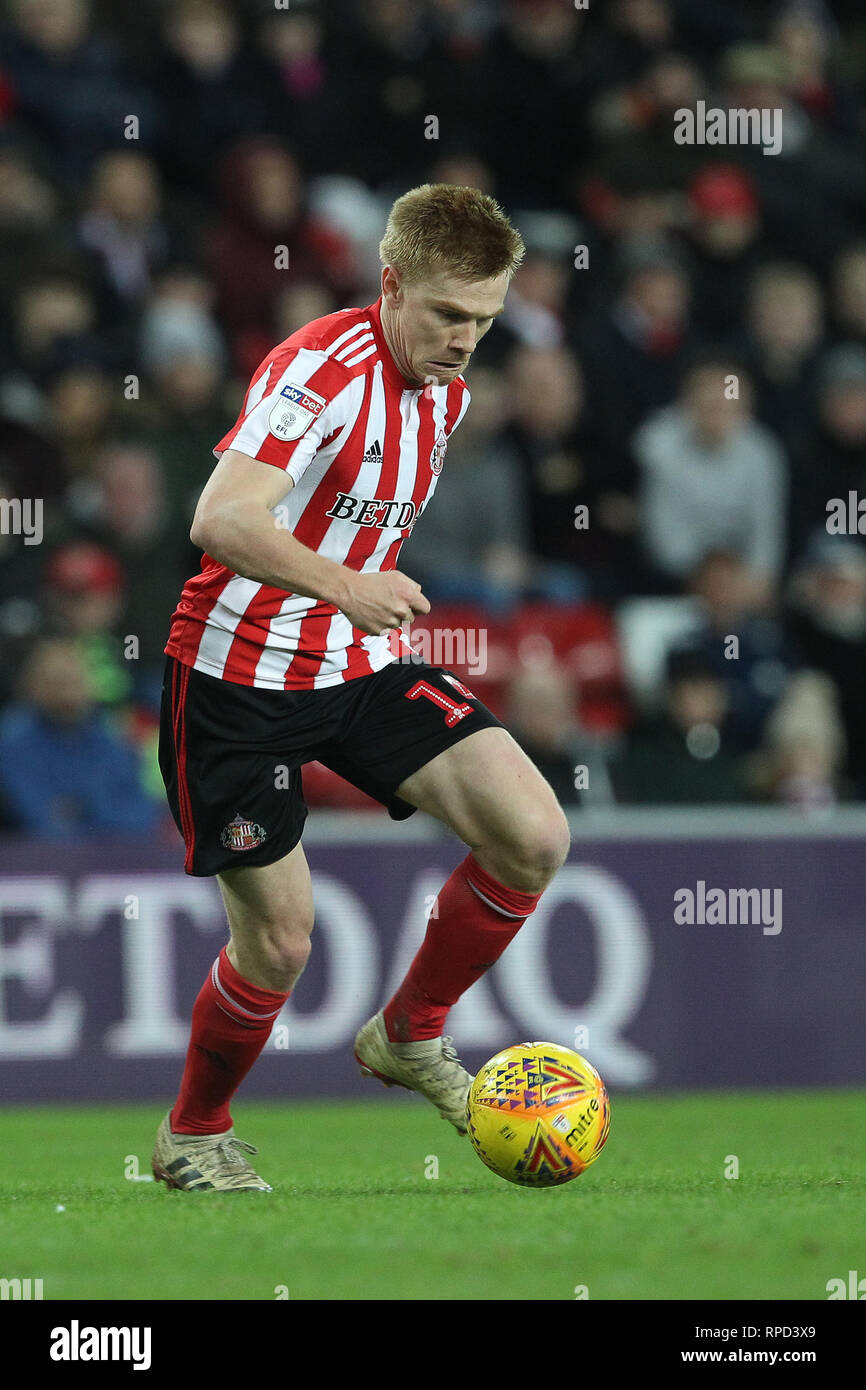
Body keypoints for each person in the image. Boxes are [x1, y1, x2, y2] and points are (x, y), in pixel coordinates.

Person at [154, 184, 572, 1192]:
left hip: (350, 660)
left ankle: (407, 1033)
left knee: (533, 834)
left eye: (482, 319)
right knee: (281, 943)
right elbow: (219, 515)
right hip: (235, 678)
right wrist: (346, 583)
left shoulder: (448, 388)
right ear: (389, 285)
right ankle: (193, 1134)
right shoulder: (316, 371)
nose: (464, 339)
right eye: (444, 314)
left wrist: (347, 602)